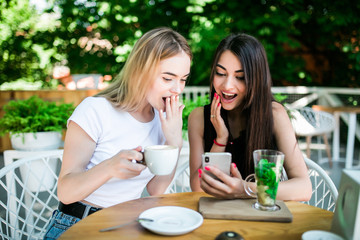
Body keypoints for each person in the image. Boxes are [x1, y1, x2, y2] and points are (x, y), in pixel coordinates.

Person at [44, 27, 192, 239]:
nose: (177, 89)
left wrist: (175, 140)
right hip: (78, 224)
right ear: (140, 72)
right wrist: (110, 167)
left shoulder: (163, 121)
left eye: (183, 79)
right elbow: (66, 193)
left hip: (126, 226)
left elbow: (157, 188)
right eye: (168, 78)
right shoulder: (95, 110)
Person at [188, 33, 312, 201]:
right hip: (216, 217)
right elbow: (197, 188)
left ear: (256, 79)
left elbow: (303, 188)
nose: (227, 85)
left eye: (240, 77)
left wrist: (244, 189)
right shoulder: (199, 118)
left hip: (261, 215)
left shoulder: (274, 115)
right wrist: (220, 139)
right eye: (220, 73)